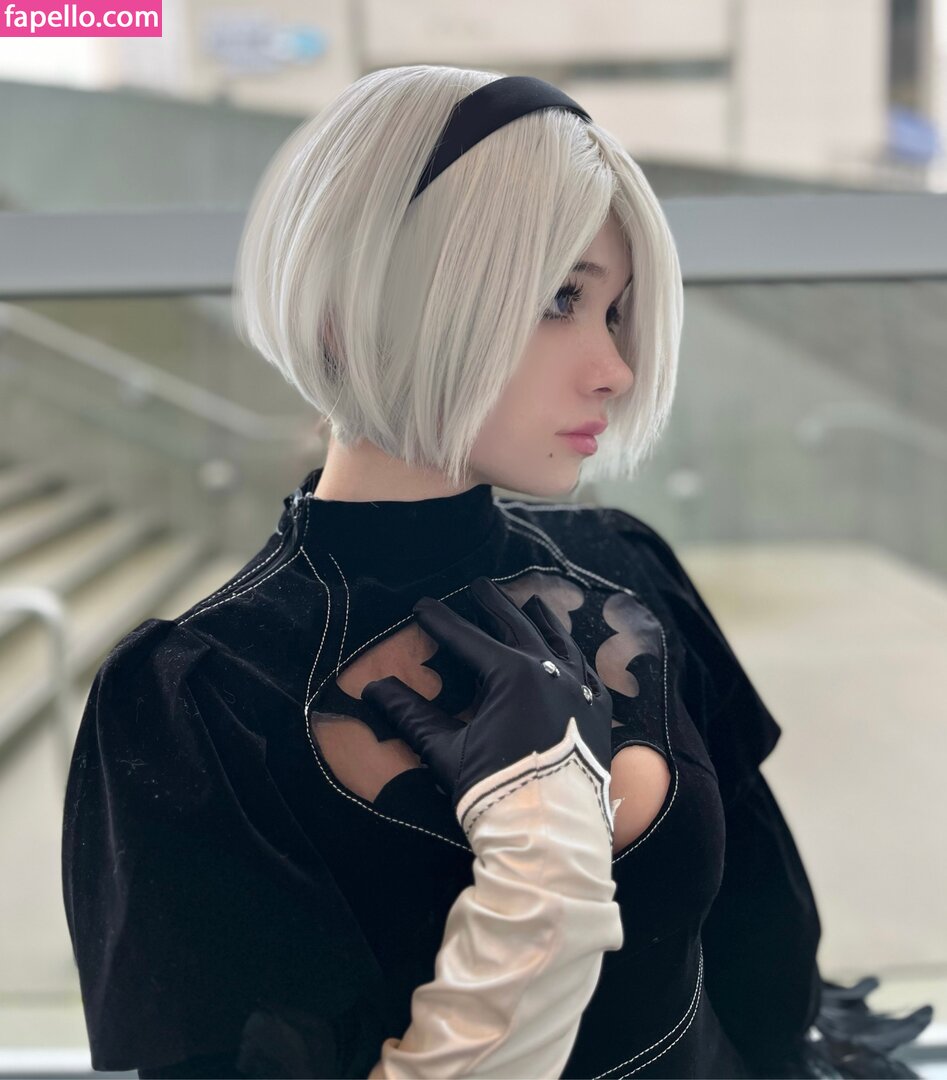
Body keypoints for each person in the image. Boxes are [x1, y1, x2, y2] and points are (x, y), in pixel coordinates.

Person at [61, 68, 931, 1078]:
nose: (615, 368)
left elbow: (767, 969)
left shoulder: (624, 564)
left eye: (616, 311)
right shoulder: (198, 700)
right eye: (559, 299)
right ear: (359, 308)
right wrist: (538, 867)